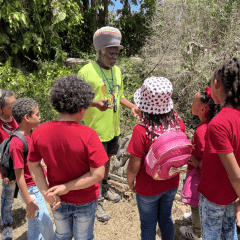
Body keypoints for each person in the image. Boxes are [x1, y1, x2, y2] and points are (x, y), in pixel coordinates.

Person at [27, 74, 108, 240]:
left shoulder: (39, 132)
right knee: (83, 237)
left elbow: (33, 165)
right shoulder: (89, 135)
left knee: (62, 235)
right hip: (85, 200)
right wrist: (68, 187)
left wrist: (46, 192)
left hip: (57, 200)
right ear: (82, 108)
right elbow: (98, 174)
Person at [79, 26, 140, 222]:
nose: (114, 57)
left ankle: (104, 188)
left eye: (116, 54)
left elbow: (119, 95)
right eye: (110, 53)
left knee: (107, 161)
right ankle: (95, 200)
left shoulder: (117, 71)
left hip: (112, 128)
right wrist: (95, 103)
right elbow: (76, 99)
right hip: (94, 130)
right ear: (100, 51)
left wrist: (132, 106)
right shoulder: (86, 71)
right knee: (94, 166)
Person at [126, 76, 186, 240]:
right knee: (166, 219)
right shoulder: (178, 123)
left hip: (147, 187)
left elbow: (133, 166)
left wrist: (130, 181)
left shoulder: (141, 130)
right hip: (171, 181)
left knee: (148, 224)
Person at [198, 57, 240, 240]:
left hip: (214, 196)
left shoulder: (218, 124)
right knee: (230, 233)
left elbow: (235, 175)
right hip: (233, 196)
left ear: (216, 82)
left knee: (211, 235)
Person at [9, 98, 54, 240]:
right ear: (27, 117)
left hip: (38, 182)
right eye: (37, 114)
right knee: (45, 220)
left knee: (34, 219)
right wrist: (29, 201)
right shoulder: (17, 143)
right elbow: (19, 176)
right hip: (31, 188)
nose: (40, 117)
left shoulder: (32, 133)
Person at [180, 87, 219, 240]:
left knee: (195, 200)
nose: (191, 104)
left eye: (194, 101)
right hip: (203, 175)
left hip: (200, 175)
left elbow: (210, 160)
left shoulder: (202, 130)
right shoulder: (210, 124)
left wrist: (196, 161)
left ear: (203, 108)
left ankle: (197, 232)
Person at [0, 89, 17, 240]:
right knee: (8, 196)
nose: (15, 109)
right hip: (9, 169)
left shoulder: (17, 117)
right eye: (11, 106)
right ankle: (6, 224)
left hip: (23, 165)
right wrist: (4, 174)